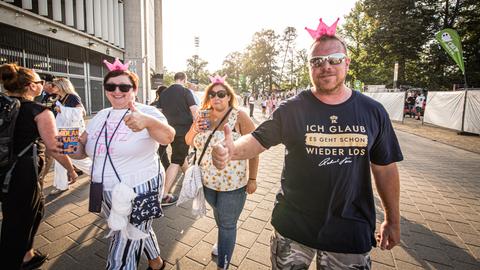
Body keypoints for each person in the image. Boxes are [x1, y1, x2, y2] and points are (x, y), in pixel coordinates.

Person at [212, 19, 403, 269]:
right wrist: (232, 150)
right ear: (309, 68)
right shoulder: (292, 109)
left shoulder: (373, 112)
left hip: (350, 229)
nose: (326, 66)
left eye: (334, 59)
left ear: (347, 62)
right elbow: (258, 139)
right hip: (294, 227)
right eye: (317, 61)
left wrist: (392, 219)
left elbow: (385, 168)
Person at [69, 59, 175, 269]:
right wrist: (69, 148)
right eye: (111, 86)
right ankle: (156, 262)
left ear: (134, 89)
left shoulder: (148, 112)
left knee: (123, 237)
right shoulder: (101, 115)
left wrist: (148, 122)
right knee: (134, 226)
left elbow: (168, 137)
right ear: (106, 89)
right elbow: (83, 150)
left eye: (124, 87)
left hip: (141, 185)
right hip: (105, 188)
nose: (117, 91)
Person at [0, 64, 78, 270]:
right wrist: (70, 169)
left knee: (28, 211)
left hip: (3, 167)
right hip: (22, 171)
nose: (43, 85)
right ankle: (13, 261)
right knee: (20, 218)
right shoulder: (40, 111)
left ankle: (27, 253)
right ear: (30, 86)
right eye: (39, 82)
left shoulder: (3, 105)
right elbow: (54, 147)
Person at [185, 75, 258, 269]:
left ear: (228, 97)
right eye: (212, 93)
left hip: (233, 185)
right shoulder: (203, 115)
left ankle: (223, 265)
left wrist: (252, 178)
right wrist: (194, 128)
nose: (216, 97)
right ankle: (222, 239)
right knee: (219, 216)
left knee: (227, 224)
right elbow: (189, 141)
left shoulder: (239, 116)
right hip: (207, 182)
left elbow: (255, 149)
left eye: (221, 93)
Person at [158, 72, 198, 206]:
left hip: (168, 130)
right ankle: (163, 194)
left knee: (181, 156)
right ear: (184, 80)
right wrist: (197, 129)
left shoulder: (164, 93)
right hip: (183, 131)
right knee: (176, 160)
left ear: (175, 79)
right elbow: (195, 112)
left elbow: (159, 112)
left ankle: (190, 180)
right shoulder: (186, 91)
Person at [49, 77, 90, 195]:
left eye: (55, 85)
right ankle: (61, 185)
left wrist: (62, 110)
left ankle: (95, 173)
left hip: (70, 132)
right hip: (62, 131)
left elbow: (81, 112)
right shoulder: (59, 98)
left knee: (74, 159)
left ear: (62, 86)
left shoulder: (72, 97)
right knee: (60, 158)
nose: (53, 87)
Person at [150, 85, 170, 170]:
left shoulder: (153, 104)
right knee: (162, 153)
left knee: (160, 153)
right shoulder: (169, 105)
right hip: (165, 132)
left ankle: (165, 168)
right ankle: (166, 168)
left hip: (154, 132)